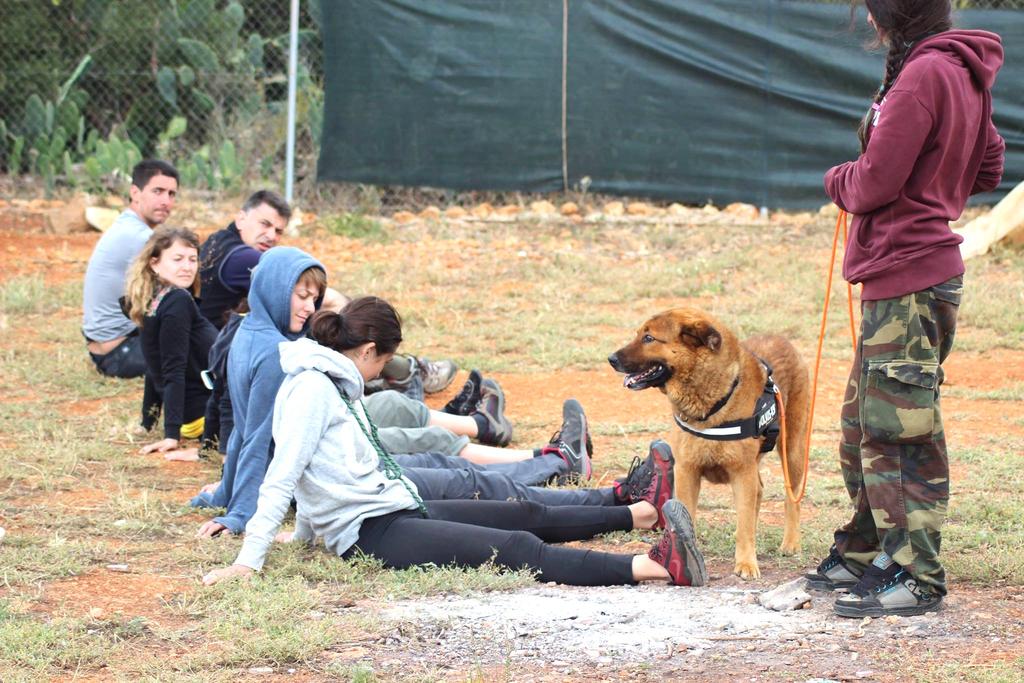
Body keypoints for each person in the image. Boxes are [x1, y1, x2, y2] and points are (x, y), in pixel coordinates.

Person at [201, 300, 707, 589]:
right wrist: (249, 560)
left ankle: (642, 513)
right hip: (373, 532)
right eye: (384, 363)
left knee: (521, 511)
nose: (382, 374)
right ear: (369, 351)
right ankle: (656, 568)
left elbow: (327, 470)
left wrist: (308, 532)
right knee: (514, 549)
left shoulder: (331, 381)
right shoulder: (314, 388)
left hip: (394, 507)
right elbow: (286, 472)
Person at [190, 249, 652, 538]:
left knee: (421, 440)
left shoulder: (257, 333)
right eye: (302, 295)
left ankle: (506, 437)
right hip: (351, 489)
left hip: (345, 475)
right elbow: (257, 441)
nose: (310, 307)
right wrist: (240, 512)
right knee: (456, 473)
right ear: (271, 288)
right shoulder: (276, 353)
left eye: (315, 296)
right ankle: (560, 462)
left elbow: (242, 431)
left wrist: (226, 493)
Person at [805, 0, 1004, 618]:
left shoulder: (924, 75)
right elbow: (990, 163)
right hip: (909, 275)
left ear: (888, 17)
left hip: (908, 278)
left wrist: (839, 179)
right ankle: (868, 550)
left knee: (901, 432)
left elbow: (871, 184)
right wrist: (935, 191)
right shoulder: (952, 68)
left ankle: (918, 575)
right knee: (864, 423)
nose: (867, 21)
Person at [196, 188, 455, 396]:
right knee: (329, 314)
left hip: (226, 351)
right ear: (241, 218)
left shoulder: (218, 241)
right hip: (233, 358)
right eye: (264, 224)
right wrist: (351, 318)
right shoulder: (243, 259)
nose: (271, 235)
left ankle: (383, 372)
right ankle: (406, 371)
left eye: (278, 230)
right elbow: (319, 293)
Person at [123, 227, 218, 461]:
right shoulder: (177, 301)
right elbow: (172, 368)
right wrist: (171, 435)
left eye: (192, 259)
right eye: (177, 259)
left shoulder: (153, 299)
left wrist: (148, 421)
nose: (187, 266)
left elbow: (153, 365)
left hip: (194, 416)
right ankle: (206, 450)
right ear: (154, 263)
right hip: (204, 415)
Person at [82, 160, 179, 378]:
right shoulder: (139, 236)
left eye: (171, 194)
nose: (166, 201)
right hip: (119, 354)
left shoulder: (127, 225)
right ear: (135, 193)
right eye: (158, 191)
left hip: (110, 344)